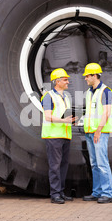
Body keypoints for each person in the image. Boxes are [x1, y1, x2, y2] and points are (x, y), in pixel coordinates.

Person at [41, 68, 76, 204]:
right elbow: (48, 116)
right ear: (57, 81)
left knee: (63, 165)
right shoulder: (49, 96)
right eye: (65, 79)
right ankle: (55, 194)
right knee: (55, 166)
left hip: (65, 135)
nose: (68, 81)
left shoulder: (66, 96)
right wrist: (64, 121)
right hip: (53, 135)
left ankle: (61, 192)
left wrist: (72, 120)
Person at [82, 63, 112, 203]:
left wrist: (99, 130)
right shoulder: (90, 92)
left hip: (99, 132)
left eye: (87, 76)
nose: (85, 78)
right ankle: (97, 192)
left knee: (102, 163)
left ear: (95, 76)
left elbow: (106, 112)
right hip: (90, 132)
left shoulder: (106, 91)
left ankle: (108, 193)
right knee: (94, 164)